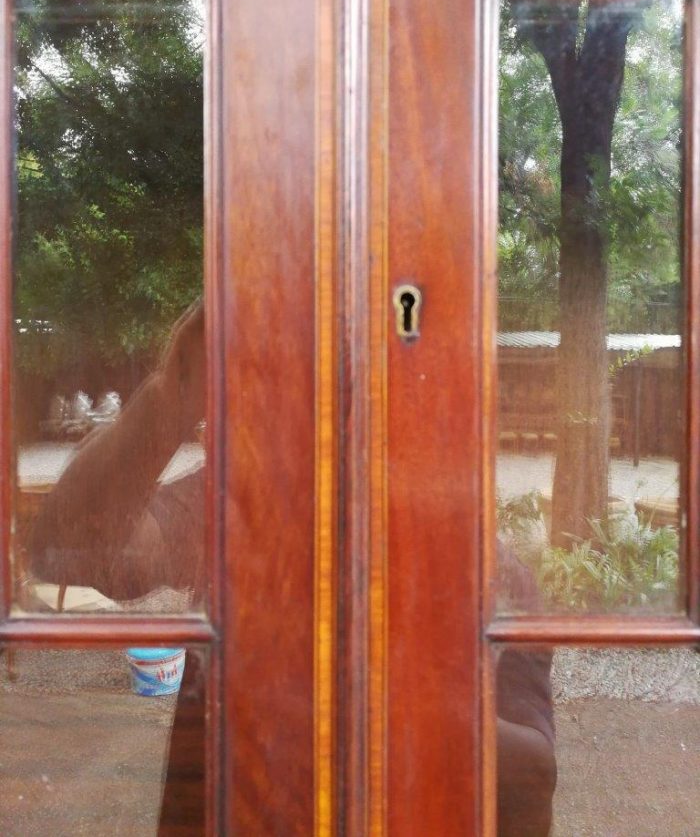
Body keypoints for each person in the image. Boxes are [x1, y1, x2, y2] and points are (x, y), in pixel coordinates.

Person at [25, 301, 556, 835]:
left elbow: (531, 775)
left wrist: (369, 680)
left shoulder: (483, 569)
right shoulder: (242, 501)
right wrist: (174, 395)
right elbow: (72, 548)